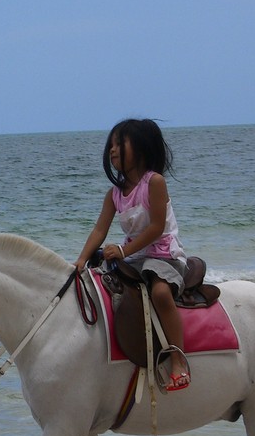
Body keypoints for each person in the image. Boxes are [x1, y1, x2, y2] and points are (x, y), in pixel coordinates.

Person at [75, 118, 190, 391]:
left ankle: (178, 360)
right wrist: (81, 260)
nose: (112, 150)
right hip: (135, 258)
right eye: (111, 145)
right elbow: (99, 230)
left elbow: (156, 227)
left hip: (164, 254)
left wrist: (124, 250)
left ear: (139, 147)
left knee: (161, 293)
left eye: (120, 143)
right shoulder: (114, 195)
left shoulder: (155, 182)